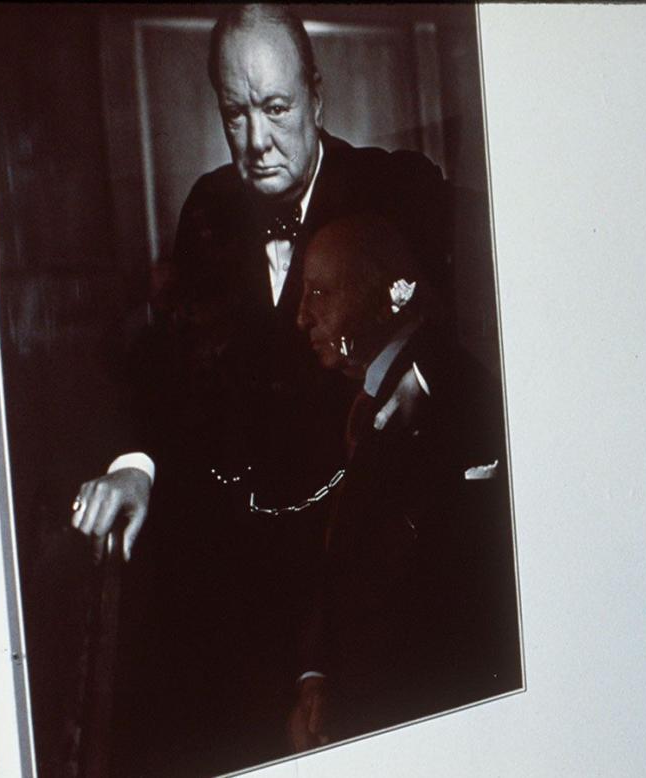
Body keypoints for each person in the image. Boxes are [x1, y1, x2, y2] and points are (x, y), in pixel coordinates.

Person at [67, 5, 449, 774]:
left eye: (276, 109)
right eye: (234, 113)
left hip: (361, 553)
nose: (255, 140)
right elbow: (175, 370)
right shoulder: (208, 207)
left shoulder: (398, 189)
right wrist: (135, 467)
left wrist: (421, 385)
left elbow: (464, 348)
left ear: (317, 98)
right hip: (238, 566)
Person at [286, 214, 519, 750]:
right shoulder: (357, 400)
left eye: (320, 293)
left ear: (393, 294)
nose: (302, 318)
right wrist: (315, 674)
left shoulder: (452, 393)